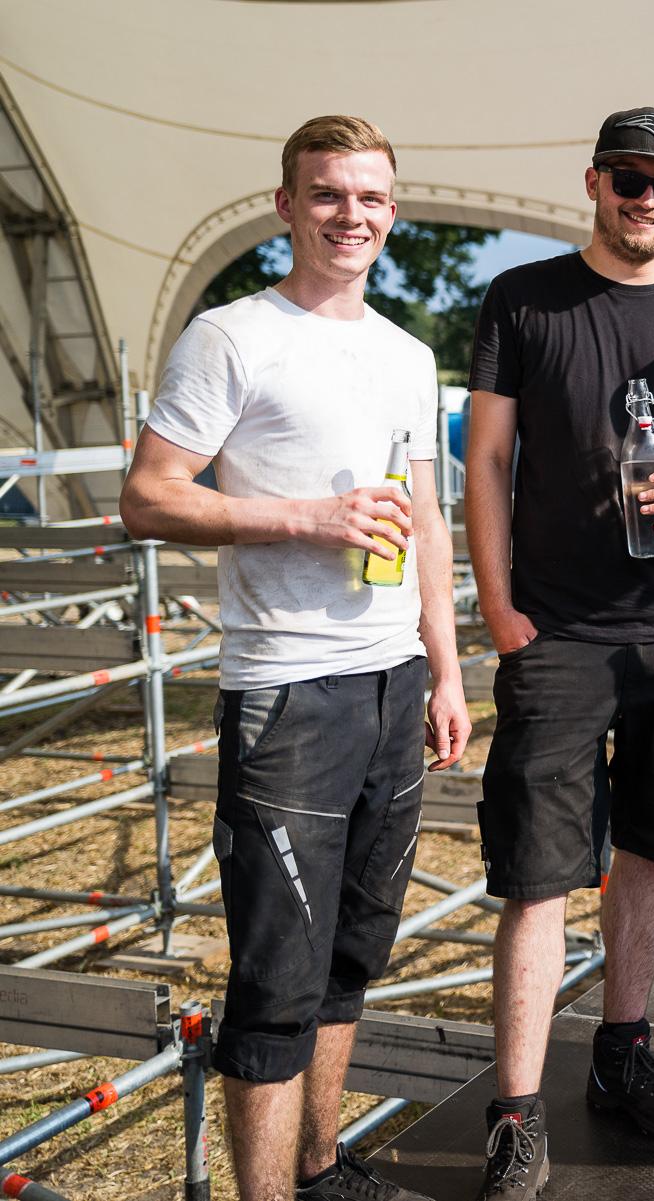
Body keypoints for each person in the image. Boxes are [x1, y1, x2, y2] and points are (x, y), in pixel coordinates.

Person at [120, 115, 469, 1201]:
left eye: (369, 197)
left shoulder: (408, 353)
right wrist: (306, 519)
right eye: (326, 194)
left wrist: (446, 664)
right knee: (276, 977)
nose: (349, 215)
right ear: (285, 206)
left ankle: (321, 1171)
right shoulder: (233, 337)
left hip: (392, 681)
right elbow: (146, 496)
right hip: (287, 689)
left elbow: (426, 512)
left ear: (393, 214)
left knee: (355, 954)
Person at [465, 106, 654, 1200]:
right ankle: (515, 1110)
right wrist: (497, 608)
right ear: (593, 181)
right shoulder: (523, 299)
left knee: (649, 850)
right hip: (556, 634)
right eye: (631, 180)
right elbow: (486, 461)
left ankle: (623, 1055)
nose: (649, 200)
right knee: (538, 876)